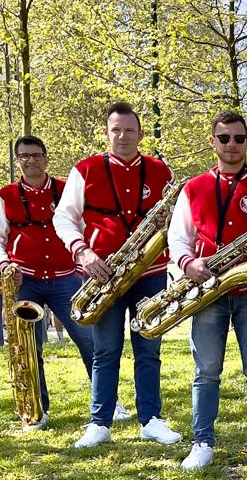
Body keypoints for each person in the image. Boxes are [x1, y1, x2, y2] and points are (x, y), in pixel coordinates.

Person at [166, 110, 247, 470]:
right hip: (208, 291)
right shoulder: (194, 188)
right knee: (206, 371)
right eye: (224, 138)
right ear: (213, 142)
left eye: (239, 138)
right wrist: (188, 263)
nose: (232, 144)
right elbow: (178, 238)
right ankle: (202, 442)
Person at [53, 101, 184, 449]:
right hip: (103, 273)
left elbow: (180, 219)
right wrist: (82, 251)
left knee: (148, 349)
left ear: (140, 134)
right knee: (105, 351)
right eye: (116, 130)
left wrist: (168, 221)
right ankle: (100, 422)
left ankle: (151, 420)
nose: (123, 136)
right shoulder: (85, 170)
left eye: (129, 130)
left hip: (150, 271)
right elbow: (63, 218)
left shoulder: (160, 170)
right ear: (106, 133)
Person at [0, 136, 96, 430]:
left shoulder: (66, 188)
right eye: (24, 156)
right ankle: (37, 410)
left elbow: (83, 226)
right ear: (16, 160)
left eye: (36, 155)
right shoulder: (5, 195)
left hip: (66, 278)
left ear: (46, 158)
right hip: (25, 280)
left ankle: (106, 403)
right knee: (29, 348)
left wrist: (81, 261)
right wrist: (5, 264)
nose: (31, 160)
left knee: (90, 341)